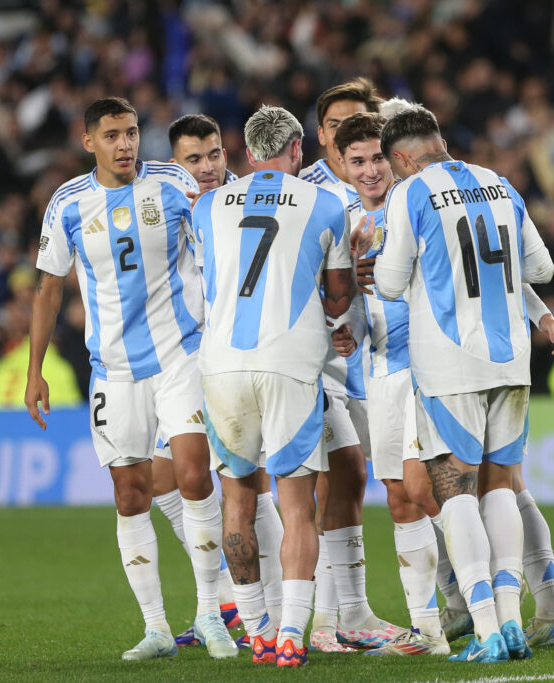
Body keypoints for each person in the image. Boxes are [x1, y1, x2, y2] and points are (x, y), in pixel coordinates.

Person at [25, 96, 236, 662]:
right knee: (130, 494)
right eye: (112, 135)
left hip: (180, 357)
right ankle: (157, 629)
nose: (125, 145)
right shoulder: (67, 204)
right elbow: (47, 288)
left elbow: (233, 214)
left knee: (194, 476)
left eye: (132, 133)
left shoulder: (173, 181)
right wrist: (35, 370)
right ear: (88, 140)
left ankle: (213, 616)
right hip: (114, 371)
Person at [374, 105, 554, 663]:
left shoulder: (410, 192)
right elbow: (540, 269)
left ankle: (485, 630)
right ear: (440, 141)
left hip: (448, 363)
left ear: (401, 159)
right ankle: (510, 622)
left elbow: (389, 279)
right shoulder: (498, 182)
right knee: (501, 487)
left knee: (455, 492)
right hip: (512, 361)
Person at [191, 105, 356, 668]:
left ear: (244, 151)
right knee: (297, 503)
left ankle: (255, 628)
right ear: (297, 151)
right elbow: (339, 297)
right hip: (289, 362)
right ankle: (290, 635)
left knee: (237, 499)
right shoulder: (325, 203)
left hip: (221, 365)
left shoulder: (207, 205)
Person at [164, 113, 285, 647]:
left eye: (214, 154)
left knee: (249, 486)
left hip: (236, 357)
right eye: (195, 159)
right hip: (174, 359)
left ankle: (277, 612)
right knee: (168, 480)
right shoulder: (163, 205)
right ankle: (221, 601)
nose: (209, 166)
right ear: (177, 164)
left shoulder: (244, 201)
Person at [333, 111, 448, 657]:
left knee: (438, 493)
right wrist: (345, 323)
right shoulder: (342, 223)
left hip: (432, 368)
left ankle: (483, 604)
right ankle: (427, 632)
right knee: (401, 500)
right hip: (380, 375)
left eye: (378, 157)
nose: (370, 169)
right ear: (342, 165)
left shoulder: (419, 204)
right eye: (357, 161)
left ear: (395, 157)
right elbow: (349, 313)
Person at [298, 77, 398, 653]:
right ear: (322, 136)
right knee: (327, 483)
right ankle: (323, 619)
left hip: (380, 360)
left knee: (371, 484)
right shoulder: (306, 192)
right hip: (326, 359)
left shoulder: (395, 187)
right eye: (336, 127)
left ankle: (345, 617)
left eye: (359, 124)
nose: (347, 137)